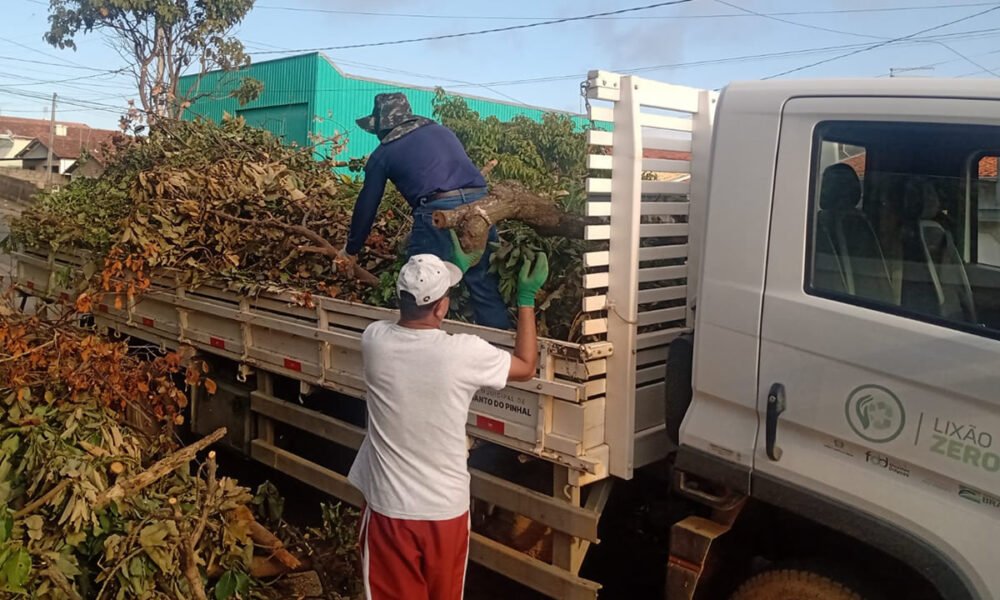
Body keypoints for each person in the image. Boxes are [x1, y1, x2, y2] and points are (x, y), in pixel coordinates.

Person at [347, 238, 549, 600]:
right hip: (447, 512)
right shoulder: (464, 353)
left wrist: (445, 271)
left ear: (399, 299)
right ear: (443, 307)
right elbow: (526, 366)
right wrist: (526, 299)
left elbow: (402, 321)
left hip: (391, 512)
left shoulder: (374, 341)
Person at [339, 92, 512, 329]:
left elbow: (367, 204)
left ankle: (419, 351)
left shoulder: (384, 153)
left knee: (419, 290)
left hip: (439, 212)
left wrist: (351, 249)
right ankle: (501, 354)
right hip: (481, 207)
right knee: (483, 284)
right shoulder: (441, 131)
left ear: (382, 126)